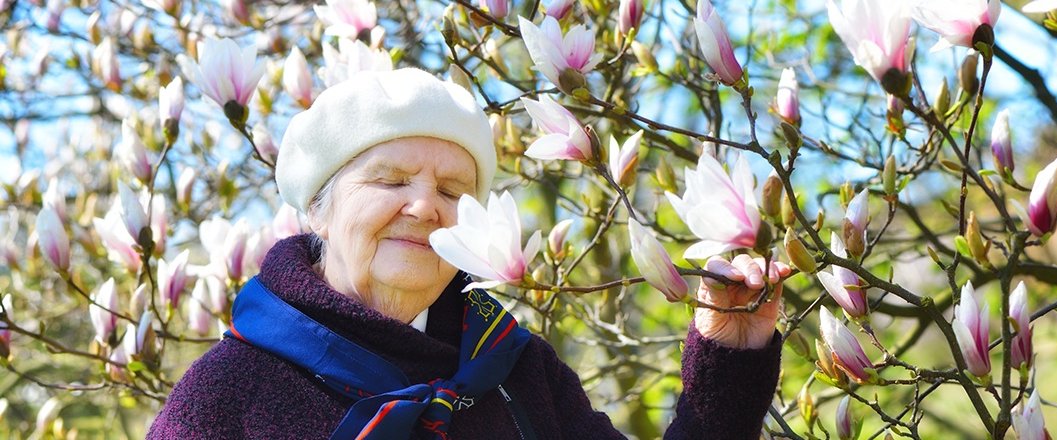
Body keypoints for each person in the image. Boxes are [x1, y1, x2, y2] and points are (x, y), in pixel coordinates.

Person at [147, 68, 786, 439]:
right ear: (319, 207)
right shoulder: (228, 395)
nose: (426, 207)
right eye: (391, 181)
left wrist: (728, 353)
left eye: (453, 190)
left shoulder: (514, 367)